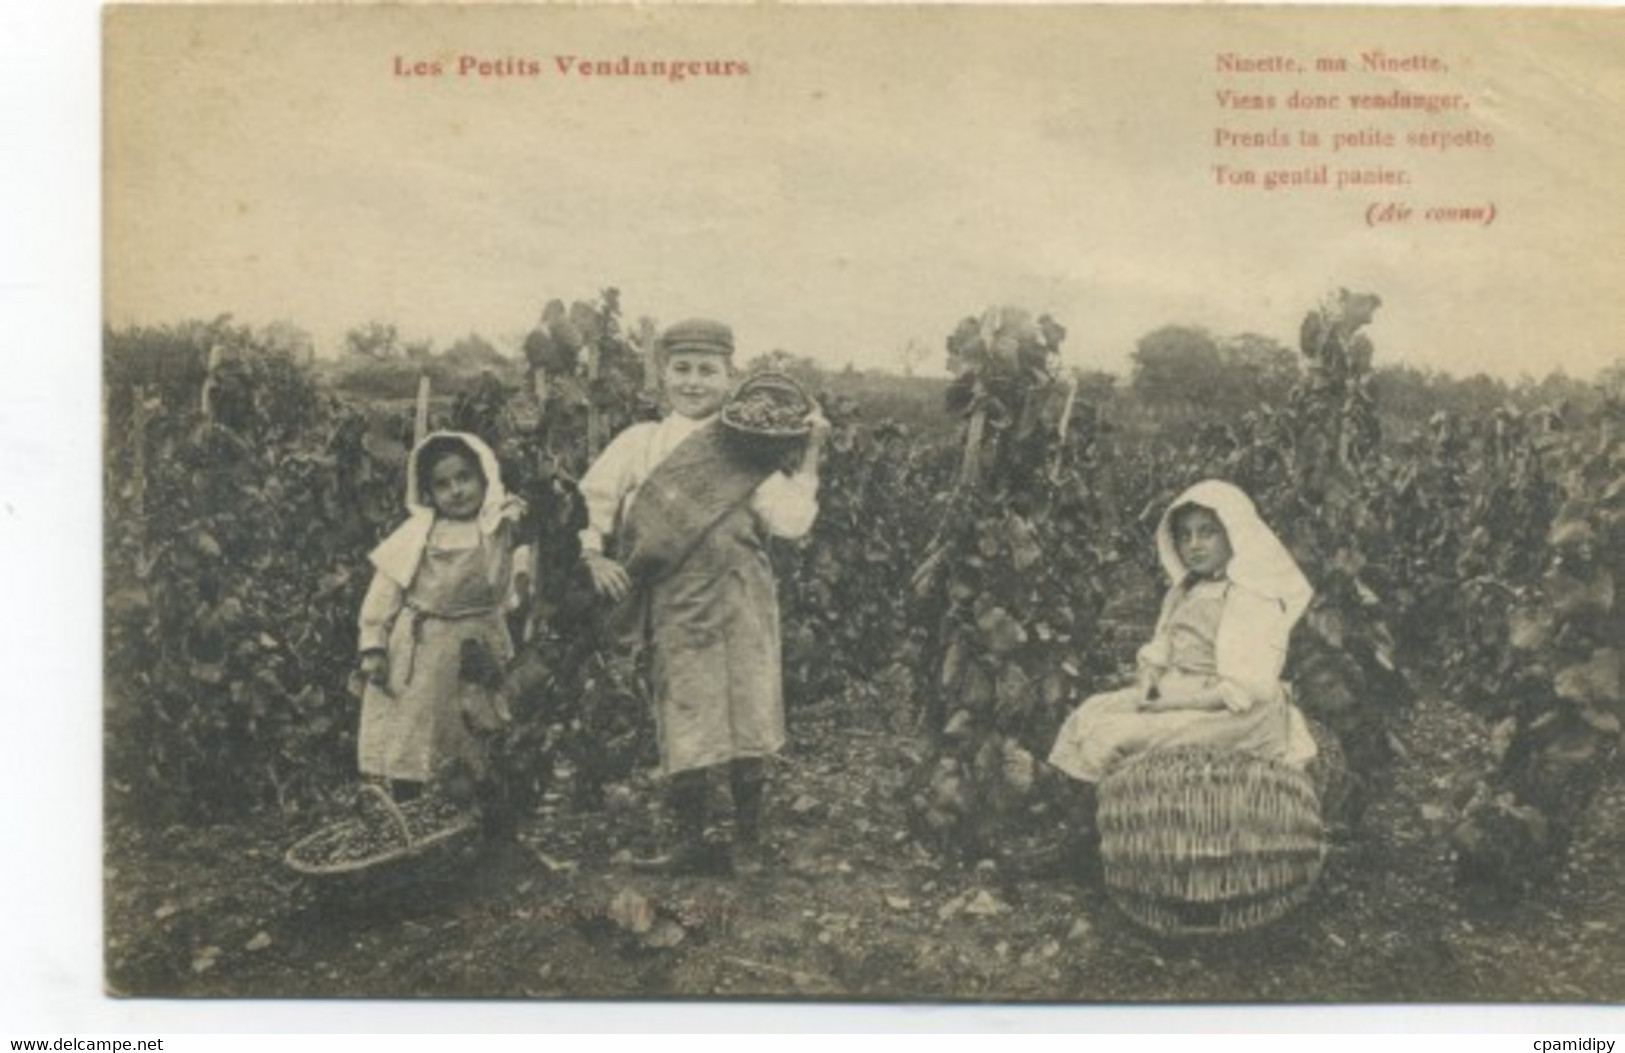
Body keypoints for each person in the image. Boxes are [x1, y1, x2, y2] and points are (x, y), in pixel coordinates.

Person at [580, 318, 827, 876]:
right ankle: (690, 838)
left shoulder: (745, 449)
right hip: (677, 597)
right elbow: (595, 499)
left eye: (707, 371)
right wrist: (594, 555)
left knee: (748, 707)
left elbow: (791, 522)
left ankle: (747, 839)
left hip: (743, 594)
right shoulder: (640, 444)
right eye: (682, 369)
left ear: (730, 376)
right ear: (662, 375)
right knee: (684, 709)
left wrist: (810, 454)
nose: (693, 382)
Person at [1047, 479, 1318, 836]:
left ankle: (1098, 833)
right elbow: (1162, 647)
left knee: (1117, 735)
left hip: (1233, 708)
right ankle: (1087, 822)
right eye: (1185, 536)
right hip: (1181, 689)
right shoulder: (1184, 591)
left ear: (1234, 535)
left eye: (1207, 533)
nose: (1194, 545)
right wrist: (1149, 684)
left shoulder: (1250, 598)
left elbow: (1243, 687)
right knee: (1090, 714)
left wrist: (1167, 706)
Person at [355, 431, 527, 800]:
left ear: (485, 478)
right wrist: (373, 645)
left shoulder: (498, 528)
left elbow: (514, 577)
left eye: (464, 478)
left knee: (477, 726)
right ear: (428, 494)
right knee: (415, 728)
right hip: (425, 642)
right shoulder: (418, 533)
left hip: (479, 641)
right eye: (443, 484)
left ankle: (477, 811)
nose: (457, 491)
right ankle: (409, 805)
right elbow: (384, 591)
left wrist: (515, 521)